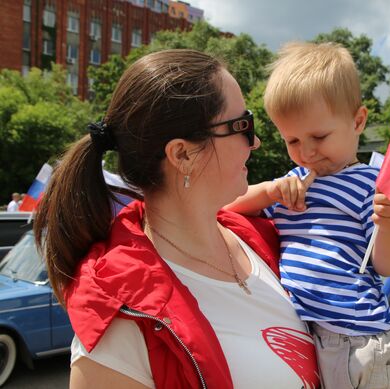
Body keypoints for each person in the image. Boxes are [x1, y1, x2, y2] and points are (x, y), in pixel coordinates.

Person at [34, 49, 320, 389]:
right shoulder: (119, 324)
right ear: (183, 154)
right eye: (244, 125)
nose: (256, 142)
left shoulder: (261, 238)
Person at [225, 42, 390, 389]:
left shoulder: (375, 184)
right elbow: (226, 207)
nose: (307, 152)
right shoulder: (293, 182)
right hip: (312, 337)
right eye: (292, 140)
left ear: (358, 121)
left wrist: (387, 225)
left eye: (319, 136)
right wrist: (270, 190)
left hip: (363, 342)